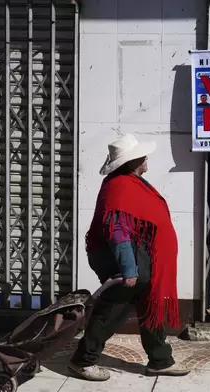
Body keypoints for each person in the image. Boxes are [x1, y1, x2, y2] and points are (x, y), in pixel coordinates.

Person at [69, 134, 190, 381]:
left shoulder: (133, 182)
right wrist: (129, 269)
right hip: (123, 260)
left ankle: (160, 360)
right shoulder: (120, 186)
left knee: (149, 302)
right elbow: (117, 231)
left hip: (139, 257)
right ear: (133, 161)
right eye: (143, 155)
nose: (147, 158)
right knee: (114, 307)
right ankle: (83, 361)